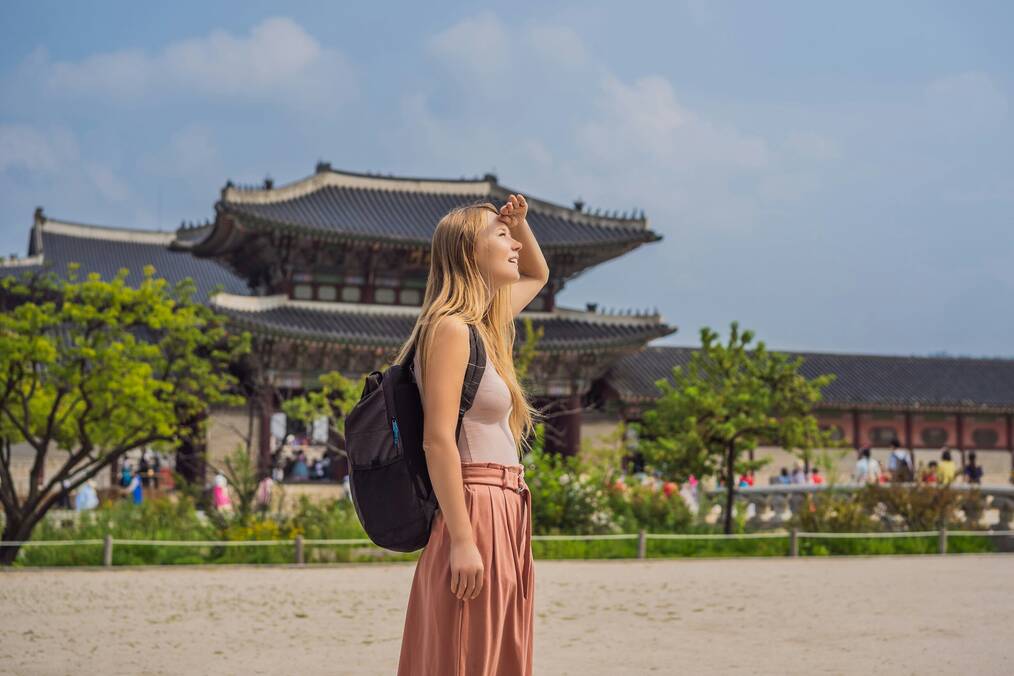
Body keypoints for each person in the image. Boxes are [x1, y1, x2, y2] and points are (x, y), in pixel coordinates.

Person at [397, 195, 547, 676]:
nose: (515, 246)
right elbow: (437, 439)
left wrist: (518, 223)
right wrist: (462, 539)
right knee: (467, 651)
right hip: (475, 504)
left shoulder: (484, 327)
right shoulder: (450, 329)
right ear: (468, 253)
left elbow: (538, 276)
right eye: (501, 237)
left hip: (507, 506)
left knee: (497, 650)